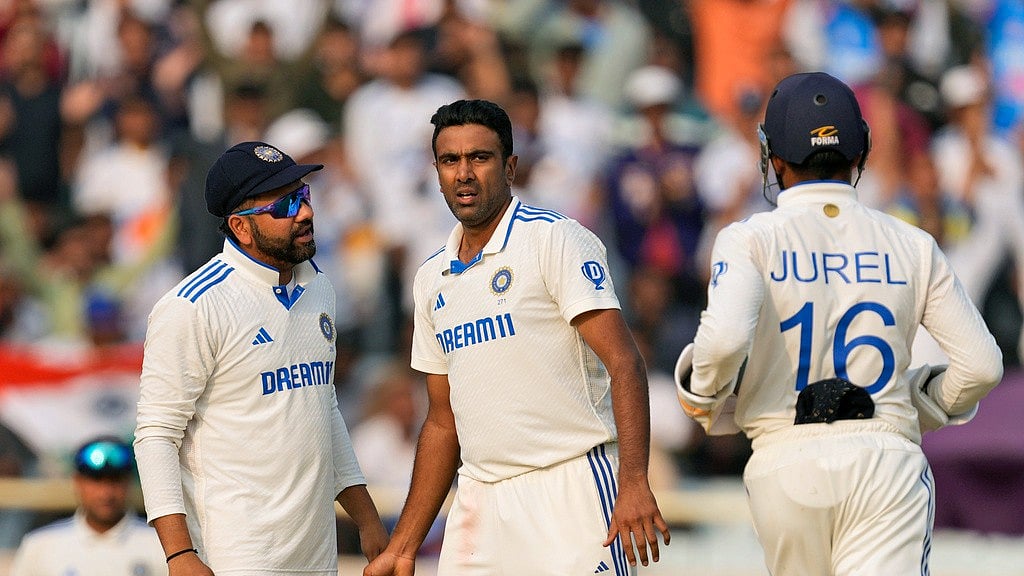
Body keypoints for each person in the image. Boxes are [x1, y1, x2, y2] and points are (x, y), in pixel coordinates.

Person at [674, 71, 1004, 575]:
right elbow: (981, 366)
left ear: (773, 158)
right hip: (884, 457)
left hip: (784, 460)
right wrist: (923, 405)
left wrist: (703, 400)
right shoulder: (911, 242)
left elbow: (722, 345)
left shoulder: (748, 238)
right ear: (861, 152)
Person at [364, 99, 671, 576]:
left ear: (509, 166)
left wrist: (633, 480)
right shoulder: (430, 279)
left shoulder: (555, 239)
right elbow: (443, 423)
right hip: (480, 502)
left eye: (479, 158)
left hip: (570, 489)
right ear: (436, 170)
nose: (464, 173)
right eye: (450, 160)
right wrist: (403, 546)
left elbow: (624, 362)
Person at [133, 141, 388, 574]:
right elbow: (156, 435)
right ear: (241, 226)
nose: (305, 213)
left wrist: (366, 518)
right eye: (285, 205)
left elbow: (321, 407)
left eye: (304, 196)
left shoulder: (318, 287)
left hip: (314, 550)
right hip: (236, 552)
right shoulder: (194, 306)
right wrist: (179, 554)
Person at [10, 436, 167, 576]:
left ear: (128, 482)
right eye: (96, 481)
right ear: (77, 482)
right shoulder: (40, 545)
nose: (105, 493)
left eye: (115, 481)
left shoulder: (162, 545)